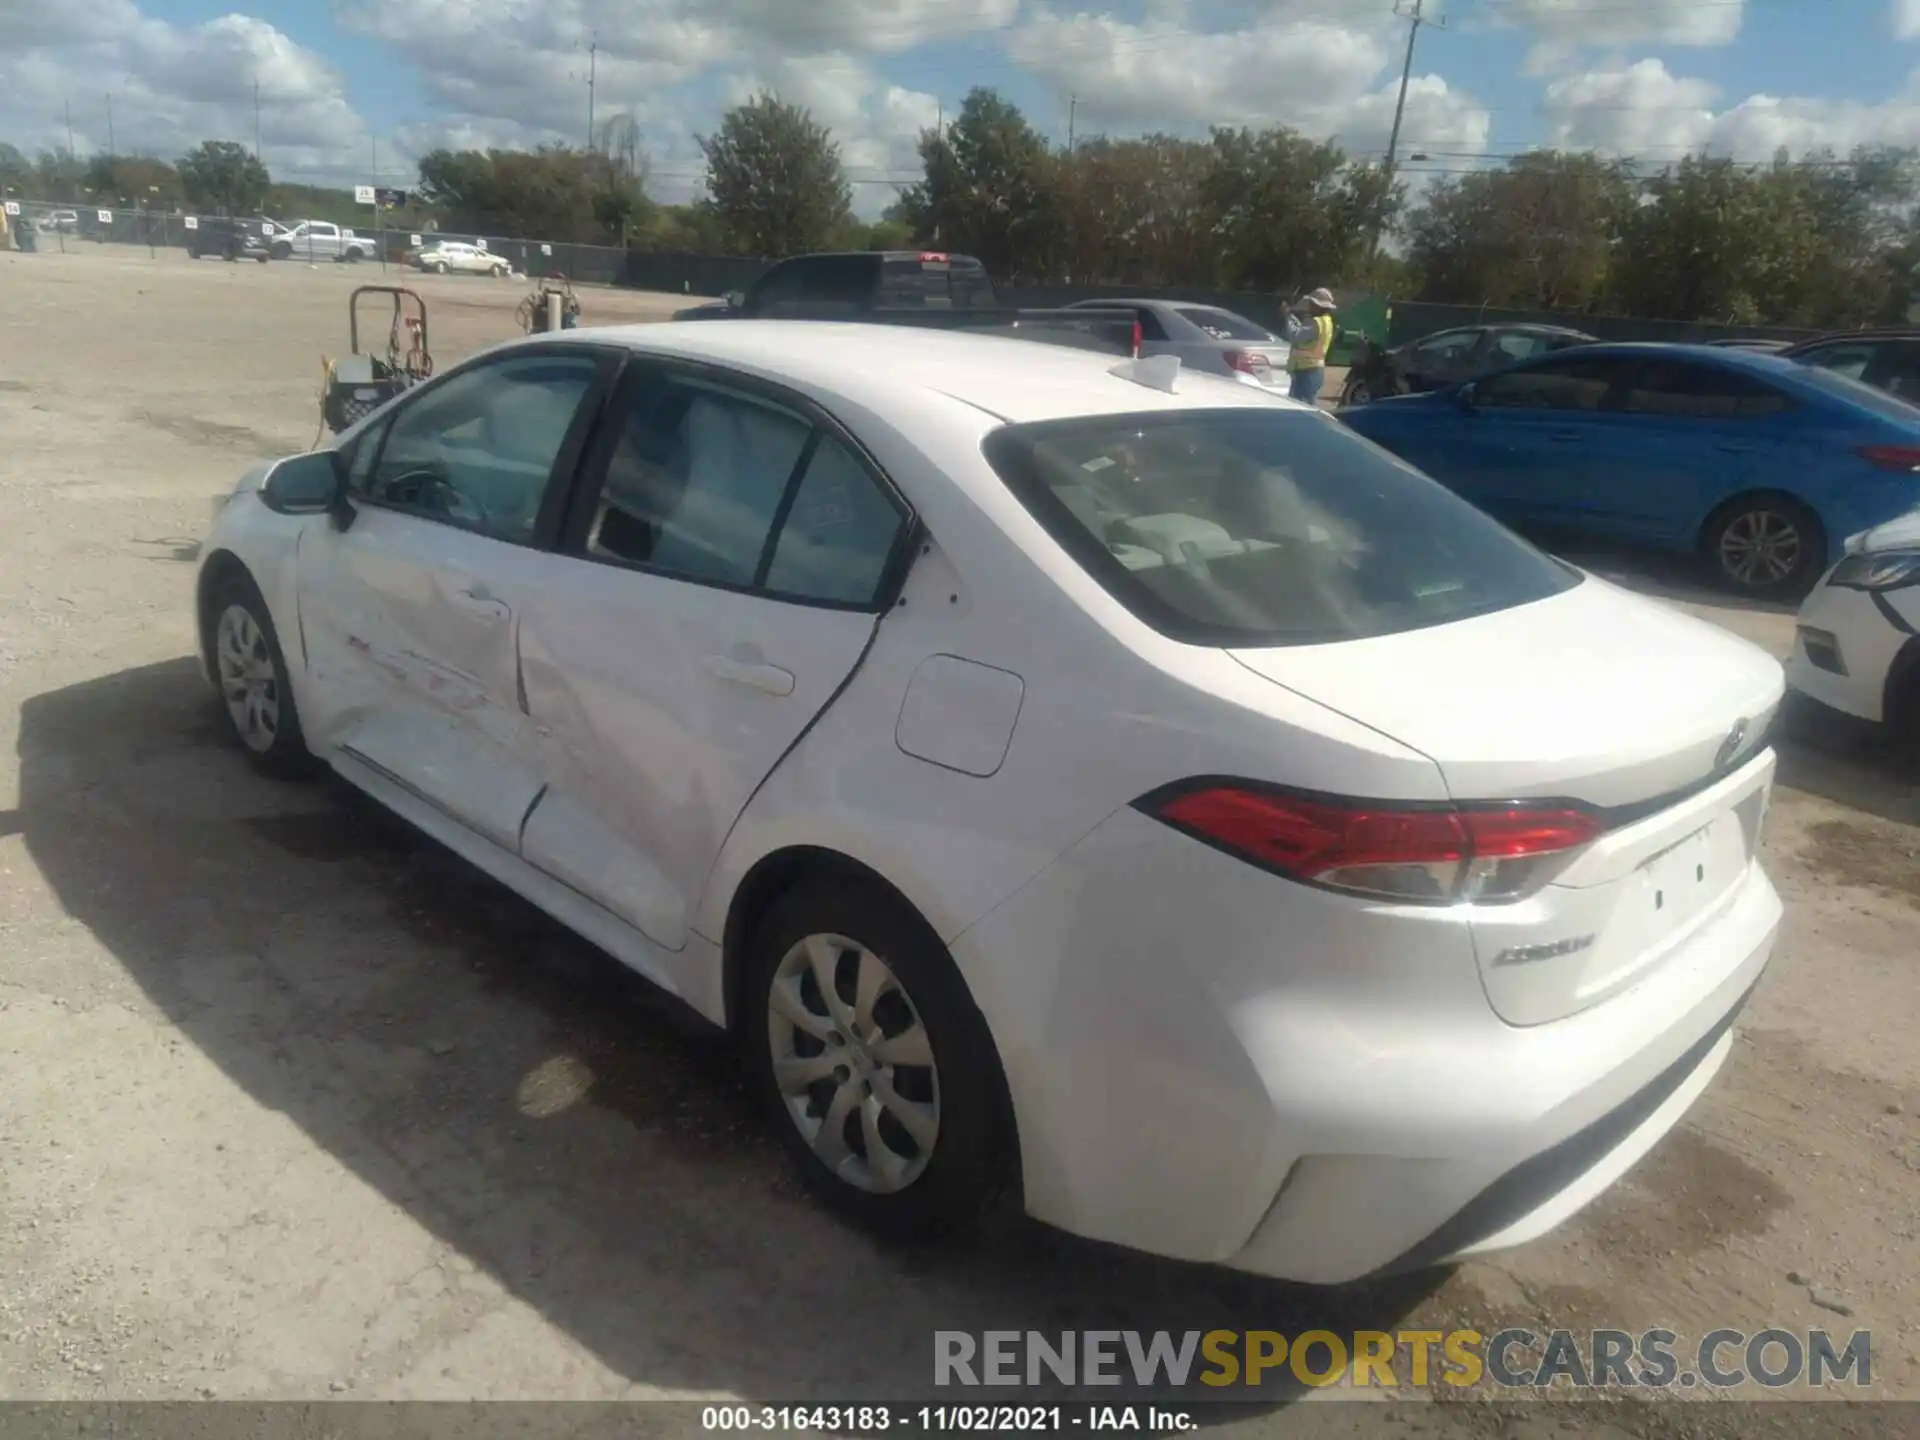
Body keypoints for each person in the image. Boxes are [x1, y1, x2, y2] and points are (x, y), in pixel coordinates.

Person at [1280, 287, 1338, 405]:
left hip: (1306, 373)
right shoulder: (1325, 321)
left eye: (1312, 304)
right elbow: (1302, 330)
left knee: (1299, 409)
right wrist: (1291, 316)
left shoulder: (1315, 323)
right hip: (1313, 371)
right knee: (1306, 408)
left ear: (1318, 306)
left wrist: (1287, 316)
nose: (1309, 307)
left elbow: (1295, 336)